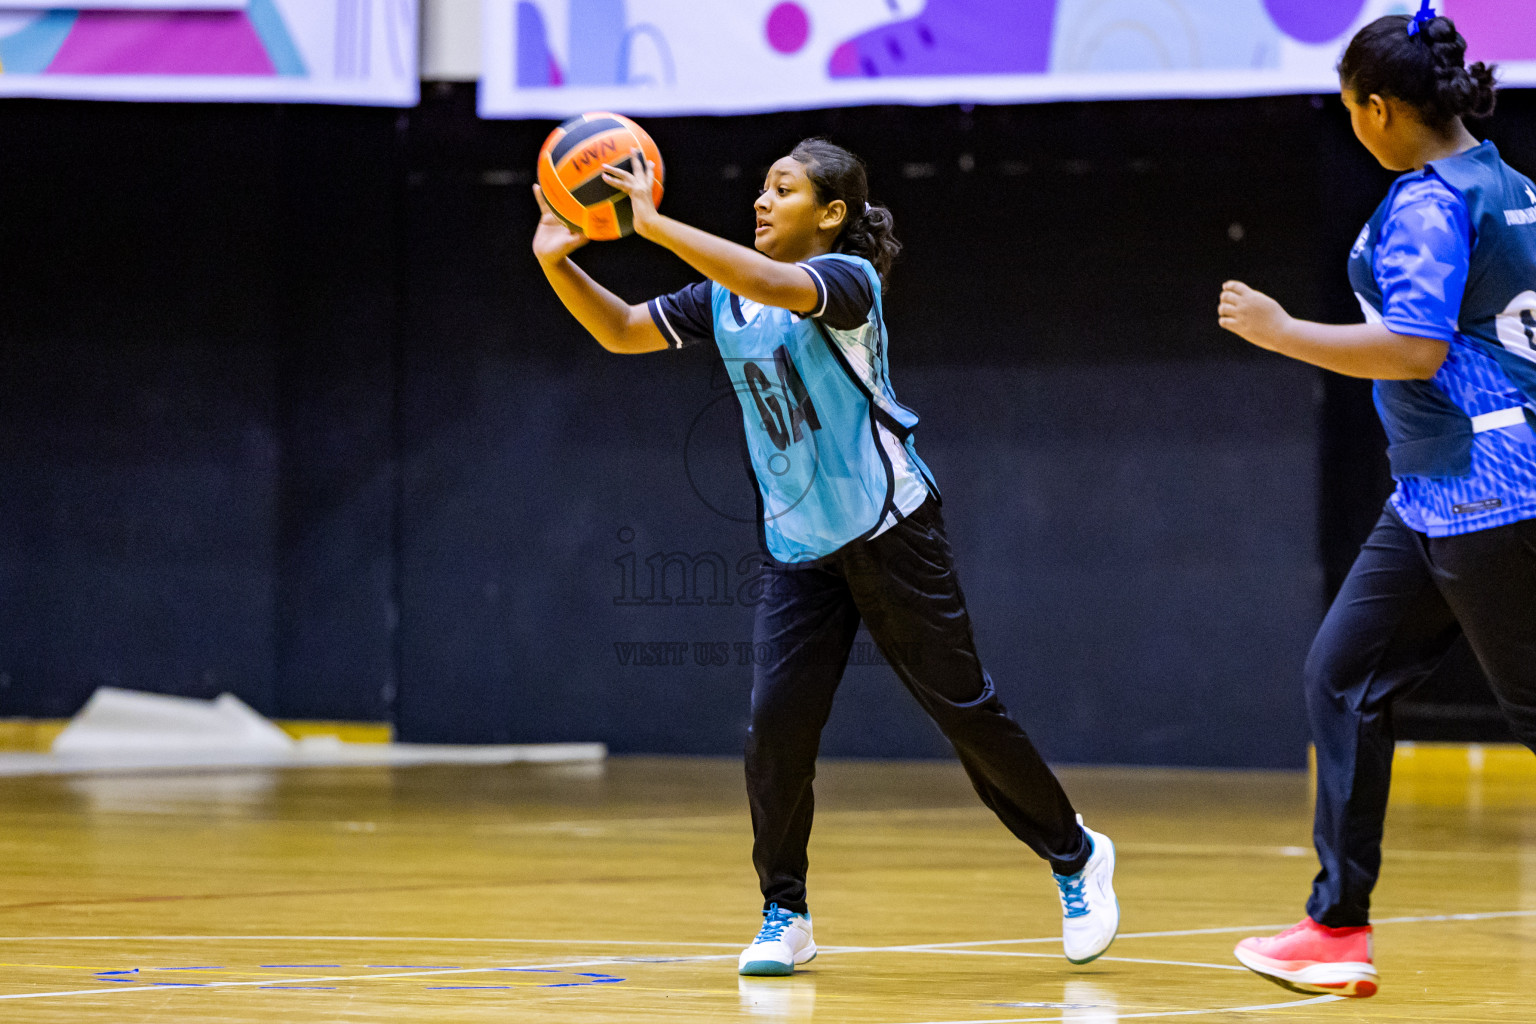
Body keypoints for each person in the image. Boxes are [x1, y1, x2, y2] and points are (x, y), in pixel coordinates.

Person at [531, 136, 1119, 975]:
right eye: (762, 188)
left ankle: (1076, 856)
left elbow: (772, 282)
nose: (763, 201)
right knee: (775, 729)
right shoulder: (723, 299)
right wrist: (557, 262)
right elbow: (624, 329)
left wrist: (653, 224)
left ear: (831, 216)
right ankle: (786, 913)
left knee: (963, 710)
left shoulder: (849, 282)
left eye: (784, 189)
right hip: (799, 547)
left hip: (889, 528)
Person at [1218, 2, 1536, 999]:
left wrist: (1279, 331)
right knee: (1344, 673)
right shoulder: (1509, 182)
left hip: (1486, 492)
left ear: (1381, 108)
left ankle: (1337, 922)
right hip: (1436, 493)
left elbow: (1414, 344)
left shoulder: (1432, 201)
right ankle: (1336, 927)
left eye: (1350, 105)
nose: (1351, 120)